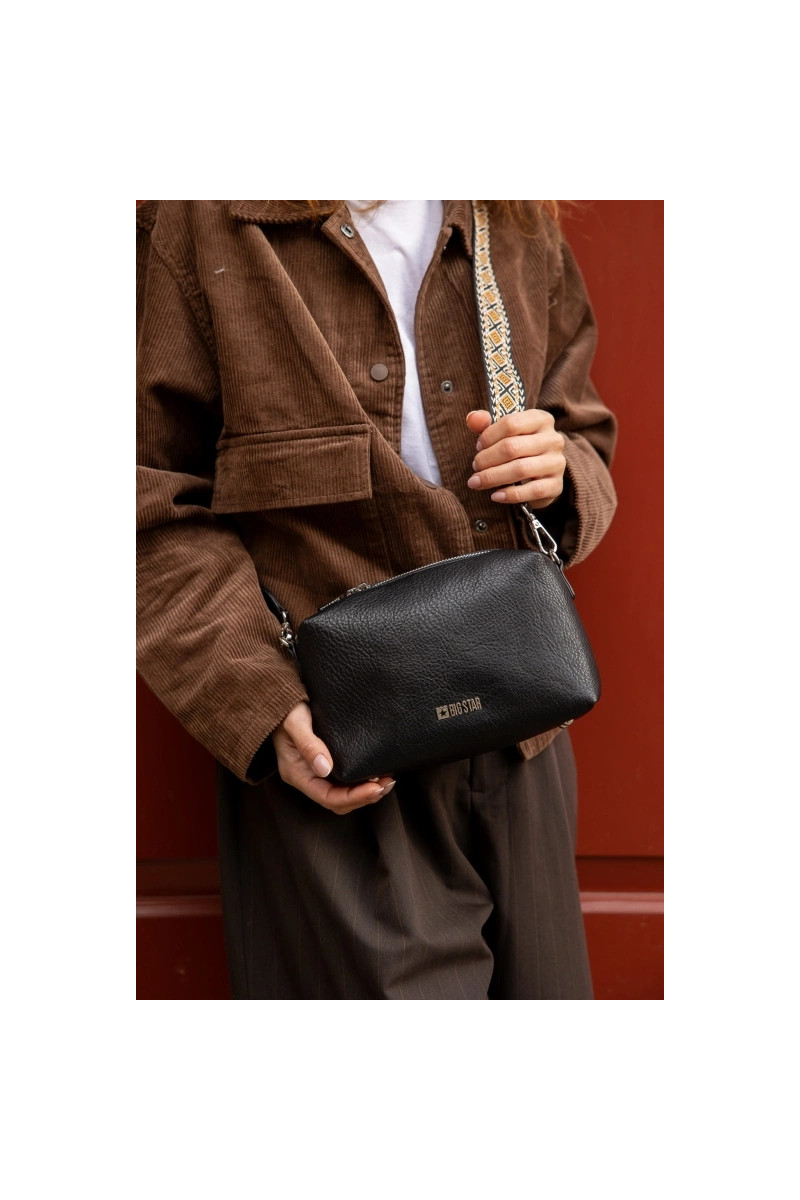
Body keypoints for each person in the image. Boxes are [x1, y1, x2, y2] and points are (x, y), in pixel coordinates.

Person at [136, 199, 618, 1000]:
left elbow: (582, 430)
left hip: (525, 730)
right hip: (339, 754)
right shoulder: (199, 217)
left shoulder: (510, 213)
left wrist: (558, 470)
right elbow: (145, 500)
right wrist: (256, 701)